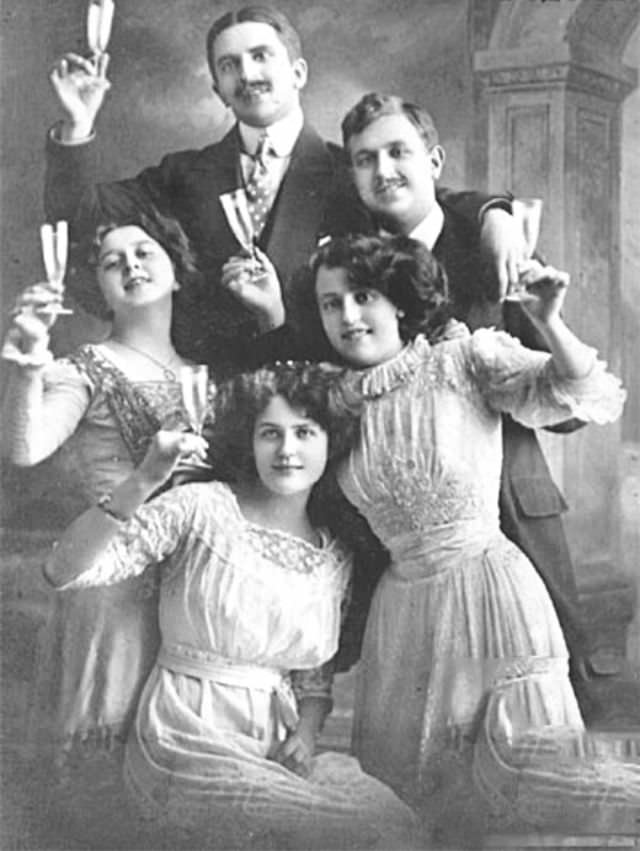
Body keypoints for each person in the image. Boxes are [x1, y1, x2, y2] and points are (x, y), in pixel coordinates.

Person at [305, 233, 638, 842]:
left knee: (527, 788)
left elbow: (574, 389)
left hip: (489, 597)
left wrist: (548, 321)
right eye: (331, 303)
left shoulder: (462, 359)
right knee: (416, 811)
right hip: (401, 616)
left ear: (399, 300)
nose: (349, 316)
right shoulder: (333, 402)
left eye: (364, 295)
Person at [44, 362, 418, 851]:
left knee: (395, 823)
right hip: (185, 735)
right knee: (341, 832)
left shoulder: (335, 555)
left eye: (305, 432)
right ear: (250, 441)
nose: (287, 450)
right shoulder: (202, 508)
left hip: (270, 744)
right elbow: (64, 569)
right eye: (270, 434)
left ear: (332, 442)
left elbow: (312, 678)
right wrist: (145, 478)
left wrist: (305, 735)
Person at [43, 4, 521, 371]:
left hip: (324, 412)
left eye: (260, 57)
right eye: (229, 66)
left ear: (297, 73)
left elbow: (427, 202)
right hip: (217, 407)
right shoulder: (185, 175)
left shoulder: (351, 171)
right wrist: (77, 125)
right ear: (217, 89)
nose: (247, 75)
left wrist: (494, 212)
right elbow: (82, 215)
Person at [328, 92, 590, 693]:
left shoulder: (494, 246)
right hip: (404, 529)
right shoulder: (353, 267)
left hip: (506, 510)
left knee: (538, 687)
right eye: (365, 160)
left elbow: (568, 407)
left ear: (436, 161)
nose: (384, 170)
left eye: (399, 152)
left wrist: (493, 216)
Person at [1, 205, 208, 771]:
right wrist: (26, 363)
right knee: (101, 770)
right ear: (97, 285)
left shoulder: (201, 373)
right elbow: (25, 447)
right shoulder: (84, 368)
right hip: (111, 586)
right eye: (113, 262)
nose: (131, 266)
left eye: (145, 253)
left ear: (177, 268)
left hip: (186, 598)